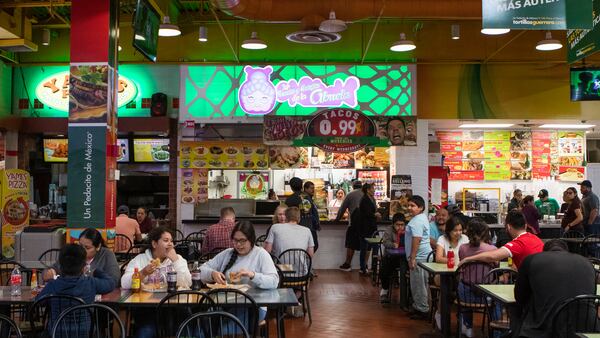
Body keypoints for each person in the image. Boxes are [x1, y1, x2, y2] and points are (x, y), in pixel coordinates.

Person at [512, 239, 596, 337]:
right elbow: (592, 297)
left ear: (544, 252)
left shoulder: (531, 260)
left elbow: (520, 296)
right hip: (588, 328)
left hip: (546, 329)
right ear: (567, 251)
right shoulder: (587, 263)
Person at [200, 221, 279, 322]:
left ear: (251, 239)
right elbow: (200, 270)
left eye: (242, 241)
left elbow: (274, 282)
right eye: (235, 240)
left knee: (220, 328)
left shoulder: (261, 254)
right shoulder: (227, 254)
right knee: (204, 322)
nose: (238, 244)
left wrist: (253, 275)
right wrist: (212, 274)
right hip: (225, 304)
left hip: (253, 307)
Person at [121, 226, 191, 338]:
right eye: (165, 240)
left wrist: (176, 261)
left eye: (171, 241)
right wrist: (143, 273)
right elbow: (124, 283)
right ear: (154, 244)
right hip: (148, 310)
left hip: (175, 309)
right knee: (146, 333)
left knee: (189, 330)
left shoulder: (178, 259)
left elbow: (188, 282)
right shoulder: (140, 259)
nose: (170, 244)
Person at [456, 218, 500, 336]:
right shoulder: (493, 250)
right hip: (486, 296)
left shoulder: (462, 248)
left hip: (465, 296)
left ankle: (467, 325)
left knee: (462, 282)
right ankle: (497, 332)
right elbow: (496, 269)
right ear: (485, 233)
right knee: (497, 297)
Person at [460, 210, 543, 270]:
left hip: (532, 285)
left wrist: (468, 259)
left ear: (508, 227)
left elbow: (492, 256)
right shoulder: (536, 239)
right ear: (525, 226)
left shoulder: (517, 243)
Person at [43, 228, 120, 286]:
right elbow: (51, 269)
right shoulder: (74, 252)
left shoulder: (107, 254)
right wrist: (48, 273)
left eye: (87, 248)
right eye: (80, 245)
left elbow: (114, 279)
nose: (82, 250)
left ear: (98, 246)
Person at [405, 195, 431, 320]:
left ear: (420, 207)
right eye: (408, 205)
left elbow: (417, 239)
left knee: (418, 284)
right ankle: (419, 307)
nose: (409, 208)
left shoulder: (417, 221)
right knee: (420, 284)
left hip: (419, 257)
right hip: (423, 256)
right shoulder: (421, 218)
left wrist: (412, 258)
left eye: (413, 206)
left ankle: (422, 310)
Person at [285, 178, 321, 252]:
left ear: (291, 187)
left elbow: (286, 215)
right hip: (310, 229)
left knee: (297, 249)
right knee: (312, 246)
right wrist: (317, 225)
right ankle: (306, 261)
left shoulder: (289, 199)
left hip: (295, 230)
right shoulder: (308, 197)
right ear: (302, 186)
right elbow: (314, 212)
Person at [379, 213, 407, 305]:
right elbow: (385, 242)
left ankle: (409, 295)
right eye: (397, 225)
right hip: (391, 257)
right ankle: (385, 290)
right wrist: (393, 245)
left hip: (404, 257)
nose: (400, 227)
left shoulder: (408, 230)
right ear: (393, 224)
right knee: (384, 267)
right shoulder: (389, 230)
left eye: (402, 225)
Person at [337, 180, 364, 271]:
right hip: (366, 224)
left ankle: (347, 264)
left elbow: (342, 209)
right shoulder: (368, 194)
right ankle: (364, 266)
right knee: (365, 245)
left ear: (353, 186)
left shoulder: (350, 194)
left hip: (354, 223)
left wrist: (337, 219)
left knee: (351, 244)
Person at [356, 183, 381, 275]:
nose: (374, 190)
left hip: (371, 226)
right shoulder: (365, 200)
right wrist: (375, 214)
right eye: (373, 188)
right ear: (368, 190)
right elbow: (366, 213)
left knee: (374, 246)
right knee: (365, 247)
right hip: (365, 227)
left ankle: (372, 267)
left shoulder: (371, 199)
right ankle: (363, 267)